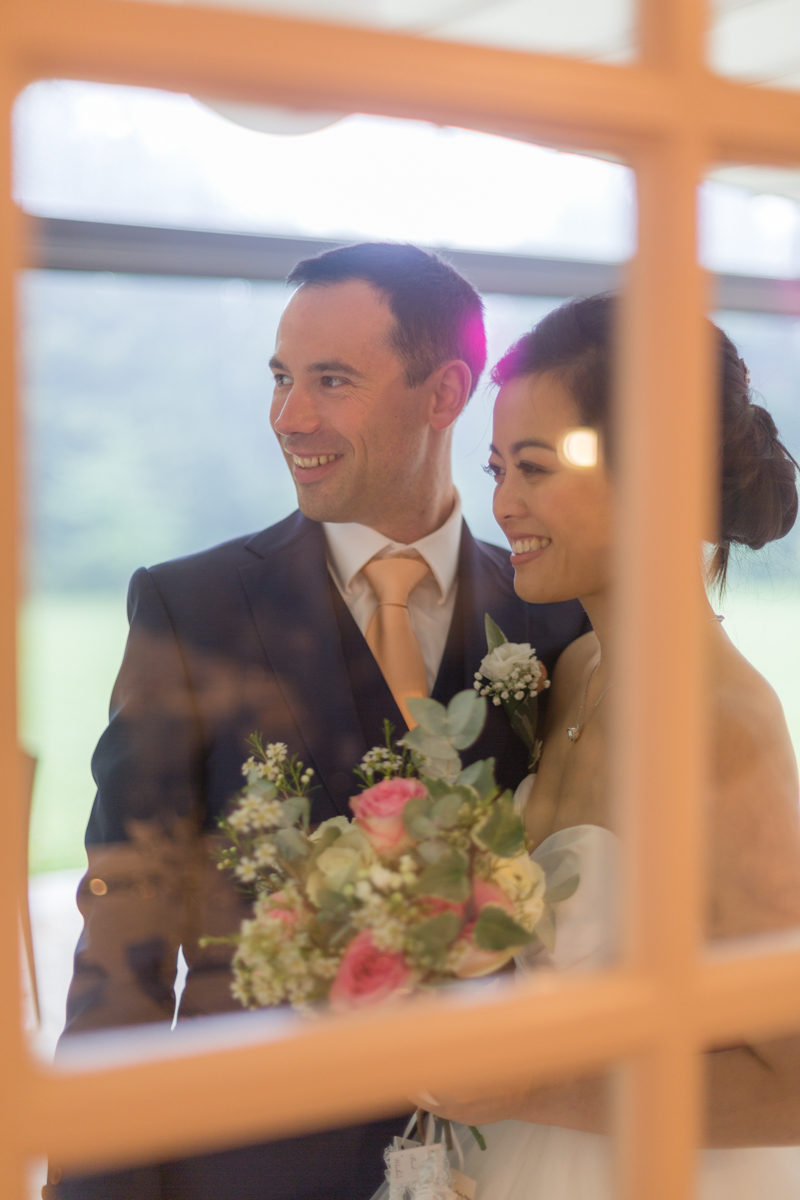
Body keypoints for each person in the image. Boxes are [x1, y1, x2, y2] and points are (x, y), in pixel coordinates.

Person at [53, 244, 590, 1200]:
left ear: (445, 391)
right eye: (281, 379)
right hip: (252, 1167)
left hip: (504, 1162)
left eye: (331, 381)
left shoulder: (559, 617)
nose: (290, 418)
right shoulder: (190, 609)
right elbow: (123, 945)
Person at [414, 294, 800, 1199]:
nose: (502, 504)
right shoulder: (575, 668)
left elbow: (794, 1086)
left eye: (536, 469)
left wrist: (525, 1085)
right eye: (497, 467)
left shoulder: (722, 729)